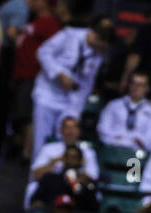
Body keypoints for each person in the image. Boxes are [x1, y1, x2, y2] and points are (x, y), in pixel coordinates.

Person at [29, 17, 111, 159]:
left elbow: (86, 85)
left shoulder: (97, 55)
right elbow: (43, 52)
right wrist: (59, 73)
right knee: (41, 142)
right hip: (47, 94)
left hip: (69, 100)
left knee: (62, 145)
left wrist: (75, 112)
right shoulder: (69, 35)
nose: (99, 50)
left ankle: (55, 179)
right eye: (99, 45)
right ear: (94, 36)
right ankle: (36, 180)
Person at [96, 70, 151, 151]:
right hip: (113, 147)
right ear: (129, 85)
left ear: (147, 88)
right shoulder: (113, 105)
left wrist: (141, 141)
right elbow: (102, 127)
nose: (136, 87)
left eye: (140, 85)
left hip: (136, 152)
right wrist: (116, 137)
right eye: (133, 83)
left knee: (133, 162)